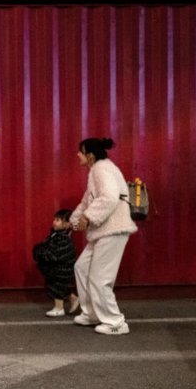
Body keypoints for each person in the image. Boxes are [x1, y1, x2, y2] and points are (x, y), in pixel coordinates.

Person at [70, 138, 137, 335]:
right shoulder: (97, 170)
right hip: (104, 231)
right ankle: (92, 313)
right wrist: (73, 222)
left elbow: (109, 197)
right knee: (82, 268)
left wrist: (88, 218)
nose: (78, 155)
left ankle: (115, 321)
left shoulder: (101, 169)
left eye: (80, 152)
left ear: (90, 155)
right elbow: (86, 202)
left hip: (113, 229)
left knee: (100, 277)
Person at [32, 208, 79, 317]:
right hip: (57, 268)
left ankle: (59, 308)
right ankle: (73, 298)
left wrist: (42, 254)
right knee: (60, 287)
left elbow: (56, 254)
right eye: (55, 219)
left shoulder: (63, 238)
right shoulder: (55, 235)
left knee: (57, 287)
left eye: (58, 220)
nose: (54, 222)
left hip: (61, 269)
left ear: (67, 224)